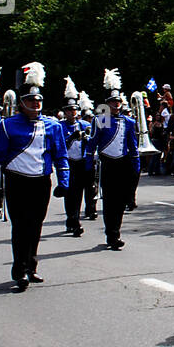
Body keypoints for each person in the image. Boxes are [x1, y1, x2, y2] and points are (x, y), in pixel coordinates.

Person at [0, 62, 69, 290]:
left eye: (39, 100)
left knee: (36, 226)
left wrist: (64, 182)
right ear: (21, 103)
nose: (36, 104)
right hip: (17, 182)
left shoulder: (53, 126)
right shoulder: (7, 125)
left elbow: (60, 156)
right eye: (31, 101)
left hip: (41, 183)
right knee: (20, 227)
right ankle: (19, 269)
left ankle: (31, 266)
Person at [94, 70, 139, 250]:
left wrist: (135, 164)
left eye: (118, 102)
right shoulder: (103, 119)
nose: (116, 105)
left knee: (121, 200)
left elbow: (133, 144)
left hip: (123, 163)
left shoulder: (128, 121)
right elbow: (95, 140)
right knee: (109, 200)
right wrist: (90, 160)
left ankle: (116, 232)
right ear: (107, 104)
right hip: (107, 163)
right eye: (113, 102)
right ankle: (110, 233)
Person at [60, 80, 93, 236]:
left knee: (79, 193)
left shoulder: (84, 124)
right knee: (70, 193)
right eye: (69, 110)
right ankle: (72, 220)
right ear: (65, 112)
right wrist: (71, 138)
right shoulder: (60, 126)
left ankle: (74, 220)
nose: (72, 113)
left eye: (74, 110)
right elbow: (59, 147)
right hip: (68, 163)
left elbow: (93, 141)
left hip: (81, 162)